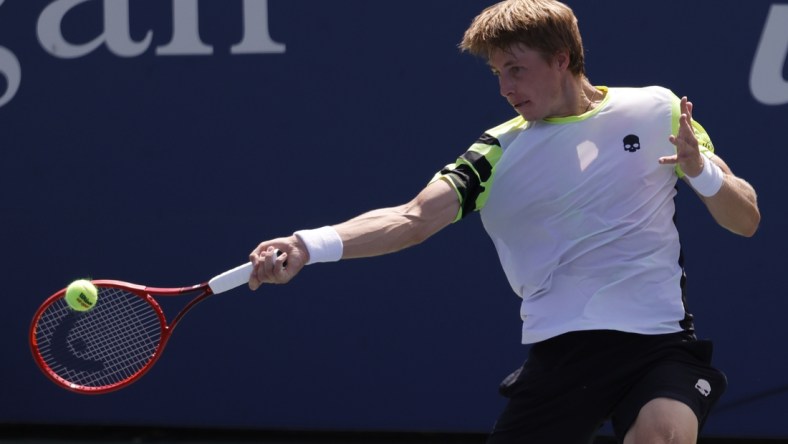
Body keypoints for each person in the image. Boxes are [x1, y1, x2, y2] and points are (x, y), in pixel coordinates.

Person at [247, 0, 761, 442]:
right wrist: (308, 245)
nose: (504, 88)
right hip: (564, 354)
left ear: (562, 59)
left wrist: (701, 172)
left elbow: (746, 219)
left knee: (664, 434)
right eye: (496, 73)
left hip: (660, 345)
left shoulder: (659, 112)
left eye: (515, 69)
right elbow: (412, 218)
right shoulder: (497, 152)